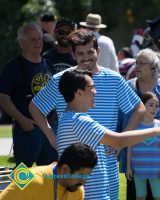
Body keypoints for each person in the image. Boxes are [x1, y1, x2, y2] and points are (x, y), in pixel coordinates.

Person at [29, 29, 146, 200]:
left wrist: (121, 140)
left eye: (90, 52)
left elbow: (139, 108)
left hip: (107, 167)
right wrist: (51, 136)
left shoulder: (114, 79)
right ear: (73, 55)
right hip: (73, 168)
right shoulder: (62, 79)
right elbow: (35, 107)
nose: (86, 57)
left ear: (98, 51)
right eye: (80, 53)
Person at [57, 70, 160, 199]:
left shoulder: (69, 118)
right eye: (92, 87)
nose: (95, 91)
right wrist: (157, 131)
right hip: (90, 196)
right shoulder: (78, 121)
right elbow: (118, 140)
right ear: (79, 92)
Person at [125, 48, 160, 200]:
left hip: (159, 151)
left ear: (153, 68)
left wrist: (157, 123)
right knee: (135, 192)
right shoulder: (128, 87)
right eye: (136, 62)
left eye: (141, 63)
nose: (137, 66)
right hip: (135, 150)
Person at [0, 23, 57, 167]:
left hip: (49, 128)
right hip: (28, 130)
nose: (38, 42)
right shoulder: (12, 67)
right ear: (21, 43)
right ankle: (17, 191)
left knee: (49, 173)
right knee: (22, 175)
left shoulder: (48, 65)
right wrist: (22, 120)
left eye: (40, 39)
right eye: (33, 40)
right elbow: (3, 96)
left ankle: (46, 191)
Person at [0, 143, 98, 200]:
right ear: (65, 169)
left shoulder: (77, 190)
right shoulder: (27, 177)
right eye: (81, 176)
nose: (83, 182)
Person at [126, 92, 160, 200]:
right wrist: (128, 167)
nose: (154, 108)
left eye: (157, 106)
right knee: (140, 196)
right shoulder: (134, 125)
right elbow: (129, 146)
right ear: (142, 105)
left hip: (156, 168)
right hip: (138, 168)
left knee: (158, 196)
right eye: (151, 105)